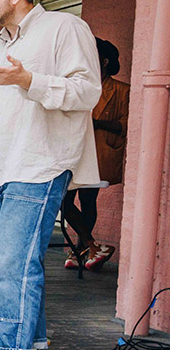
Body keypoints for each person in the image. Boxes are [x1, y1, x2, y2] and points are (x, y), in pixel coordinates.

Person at [0, 0, 101, 350]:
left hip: (41, 163)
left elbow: (87, 92)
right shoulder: (0, 44)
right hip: (0, 164)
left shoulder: (65, 27)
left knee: (13, 262)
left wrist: (27, 78)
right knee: (0, 259)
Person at [61, 38, 129, 270]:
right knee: (64, 200)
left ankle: (82, 247)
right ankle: (90, 246)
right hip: (74, 150)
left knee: (88, 199)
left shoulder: (121, 90)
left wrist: (97, 123)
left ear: (104, 61)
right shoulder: (81, 85)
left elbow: (126, 124)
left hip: (99, 152)